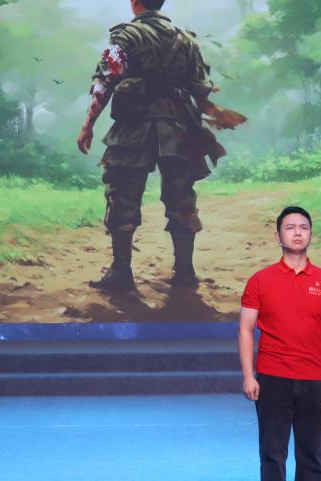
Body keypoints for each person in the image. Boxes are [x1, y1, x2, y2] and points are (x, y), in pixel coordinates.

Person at [76, 0, 245, 291]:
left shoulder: (125, 36)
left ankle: (121, 273)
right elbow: (200, 90)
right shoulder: (187, 39)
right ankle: (185, 273)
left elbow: (106, 80)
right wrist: (216, 113)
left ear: (134, 4)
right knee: (182, 199)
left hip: (134, 126)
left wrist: (88, 124)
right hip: (179, 127)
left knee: (122, 196)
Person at [238, 206, 321, 481]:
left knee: (313, 454)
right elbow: (246, 329)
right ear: (278, 236)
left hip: (315, 380)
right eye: (290, 227)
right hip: (272, 377)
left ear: (310, 234)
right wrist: (249, 375)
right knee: (273, 454)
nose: (297, 233)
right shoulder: (260, 280)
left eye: (303, 227)